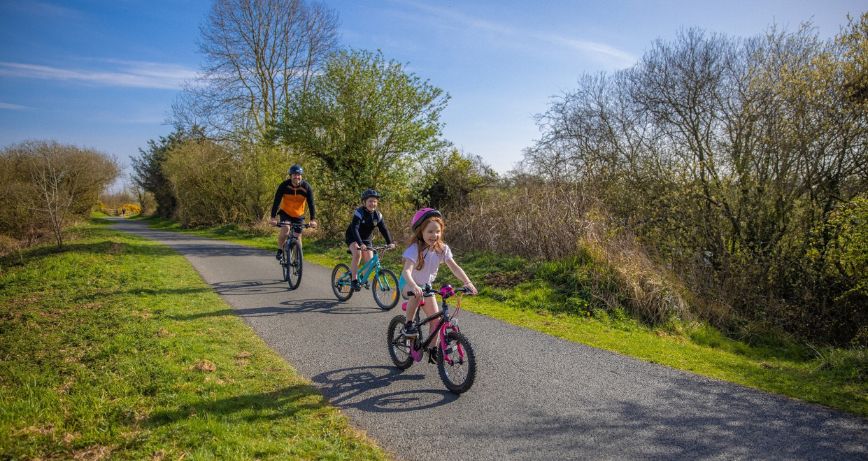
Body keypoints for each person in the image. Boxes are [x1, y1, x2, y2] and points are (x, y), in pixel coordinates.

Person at [399, 208, 477, 345]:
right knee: (417, 295)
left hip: (426, 286)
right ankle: (408, 324)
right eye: (430, 231)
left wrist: (467, 282)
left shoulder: (442, 249)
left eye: (438, 231)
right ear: (420, 232)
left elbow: (454, 267)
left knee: (435, 322)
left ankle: (432, 349)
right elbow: (406, 271)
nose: (434, 235)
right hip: (408, 283)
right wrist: (414, 286)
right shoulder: (414, 249)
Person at [345, 188, 395, 291]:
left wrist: (390, 242)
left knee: (370, 261)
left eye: (375, 201)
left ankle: (363, 278)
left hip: (366, 239)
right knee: (357, 254)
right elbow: (355, 228)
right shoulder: (359, 212)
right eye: (370, 201)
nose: (373, 203)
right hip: (353, 237)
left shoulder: (378, 215)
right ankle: (354, 280)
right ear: (364, 202)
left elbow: (384, 229)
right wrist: (360, 243)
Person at [269, 164, 317, 260]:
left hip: (299, 214)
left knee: (298, 236)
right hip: (285, 212)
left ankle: (298, 258)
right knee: (286, 228)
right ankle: (280, 250)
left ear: (301, 176)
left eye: (299, 175)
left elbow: (311, 204)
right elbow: (277, 201)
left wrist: (312, 219)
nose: (297, 177)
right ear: (290, 175)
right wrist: (273, 217)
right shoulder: (284, 186)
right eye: (294, 175)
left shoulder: (306, 187)